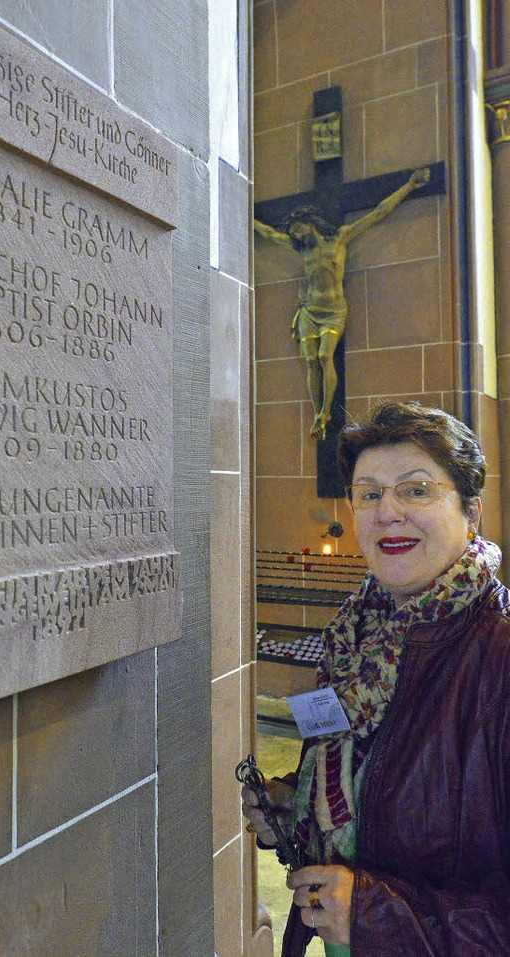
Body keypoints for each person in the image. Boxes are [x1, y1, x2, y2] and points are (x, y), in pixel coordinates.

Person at [242, 401, 510, 955]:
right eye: (369, 493)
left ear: (473, 510)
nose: (387, 511)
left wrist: (376, 916)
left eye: (416, 490)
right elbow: (369, 787)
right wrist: (299, 811)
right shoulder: (353, 640)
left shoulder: (498, 659)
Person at [254, 169, 430, 439]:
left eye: (298, 229)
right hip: (309, 311)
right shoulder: (301, 248)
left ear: (309, 222)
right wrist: (243, 210)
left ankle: (326, 410)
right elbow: (267, 233)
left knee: (325, 356)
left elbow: (379, 212)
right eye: (293, 233)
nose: (296, 235)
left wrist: (409, 186)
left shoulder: (340, 238)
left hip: (333, 311)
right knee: (311, 360)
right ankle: (318, 415)